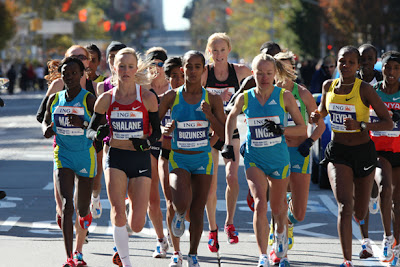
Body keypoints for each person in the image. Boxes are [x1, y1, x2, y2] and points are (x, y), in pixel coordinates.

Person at [223, 52, 306, 266]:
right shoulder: (246, 97)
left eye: (269, 73)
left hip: (279, 158)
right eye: (260, 73)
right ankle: (262, 255)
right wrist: (227, 143)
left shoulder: (284, 96)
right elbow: (231, 118)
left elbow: (302, 128)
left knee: (278, 209)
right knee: (260, 203)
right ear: (253, 74)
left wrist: (281, 129)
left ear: (275, 73)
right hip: (254, 158)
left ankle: (281, 249)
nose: (264, 77)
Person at [314, 46, 393, 267]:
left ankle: (371, 194)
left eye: (351, 62)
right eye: (342, 61)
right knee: (344, 205)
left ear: (358, 66)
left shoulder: (365, 89)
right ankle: (346, 260)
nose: (346, 65)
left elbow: (387, 121)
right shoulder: (328, 85)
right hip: (338, 151)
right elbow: (322, 111)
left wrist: (362, 125)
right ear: (337, 63)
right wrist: (315, 115)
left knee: (360, 211)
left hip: (363, 152)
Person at [87, 47, 160, 267]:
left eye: (130, 66)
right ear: (113, 68)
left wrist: (145, 143)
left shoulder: (147, 98)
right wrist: (98, 133)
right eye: (121, 66)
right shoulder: (106, 99)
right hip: (115, 157)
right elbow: (90, 130)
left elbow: (156, 133)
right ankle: (126, 262)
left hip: (140, 159)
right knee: (117, 213)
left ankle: (132, 210)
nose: (126, 71)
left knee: (137, 225)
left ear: (136, 69)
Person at [158, 50, 226, 267]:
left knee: (197, 210)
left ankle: (192, 255)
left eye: (198, 67)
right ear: (182, 69)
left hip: (203, 160)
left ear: (204, 70)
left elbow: (223, 133)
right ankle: (177, 219)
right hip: (179, 159)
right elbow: (153, 124)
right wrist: (164, 128)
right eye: (189, 66)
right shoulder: (171, 97)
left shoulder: (212, 99)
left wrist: (210, 117)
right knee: (179, 203)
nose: (193, 71)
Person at [37, 44, 98, 254]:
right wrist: (48, 130)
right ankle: (70, 256)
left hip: (85, 156)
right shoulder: (55, 98)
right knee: (66, 206)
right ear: (61, 75)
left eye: (74, 73)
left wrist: (81, 124)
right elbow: (44, 123)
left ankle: (86, 213)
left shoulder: (89, 99)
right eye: (66, 74)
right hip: (63, 155)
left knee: (81, 209)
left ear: (82, 74)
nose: (70, 77)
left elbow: (100, 128)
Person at [266, 51, 325, 264]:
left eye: (288, 67)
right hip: (276, 150)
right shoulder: (268, 93)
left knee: (299, 212)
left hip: (299, 151)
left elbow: (320, 123)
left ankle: (287, 223)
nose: (284, 72)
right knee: (279, 200)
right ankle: (280, 248)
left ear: (294, 68)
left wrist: (309, 142)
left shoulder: (302, 93)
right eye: (279, 67)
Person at [202, 32, 252, 251]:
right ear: (209, 52)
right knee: (210, 187)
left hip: (231, 131)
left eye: (223, 50)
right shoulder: (205, 73)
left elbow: (259, 85)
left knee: (232, 178)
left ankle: (229, 223)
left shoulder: (239, 71)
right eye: (215, 50)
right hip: (209, 133)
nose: (219, 54)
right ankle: (212, 230)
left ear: (229, 50)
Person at [358, 51, 400, 265]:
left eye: (395, 68)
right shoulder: (372, 92)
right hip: (377, 150)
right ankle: (386, 238)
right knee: (385, 187)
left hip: (399, 151)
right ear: (381, 68)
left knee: (397, 201)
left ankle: (397, 246)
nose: (390, 72)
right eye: (387, 67)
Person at [158, 56, 185, 266]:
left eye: (181, 76)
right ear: (167, 78)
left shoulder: (197, 99)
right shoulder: (163, 99)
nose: (178, 80)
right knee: (170, 204)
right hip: (166, 155)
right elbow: (149, 127)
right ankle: (176, 252)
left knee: (188, 206)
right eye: (174, 76)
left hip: (190, 157)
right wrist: (161, 130)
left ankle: (189, 248)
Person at [144, 46, 170, 258]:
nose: (156, 68)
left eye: (160, 64)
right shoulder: (142, 89)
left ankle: (174, 232)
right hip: (151, 145)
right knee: (152, 197)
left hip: (173, 145)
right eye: (152, 64)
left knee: (173, 196)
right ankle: (160, 239)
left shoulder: (174, 86)